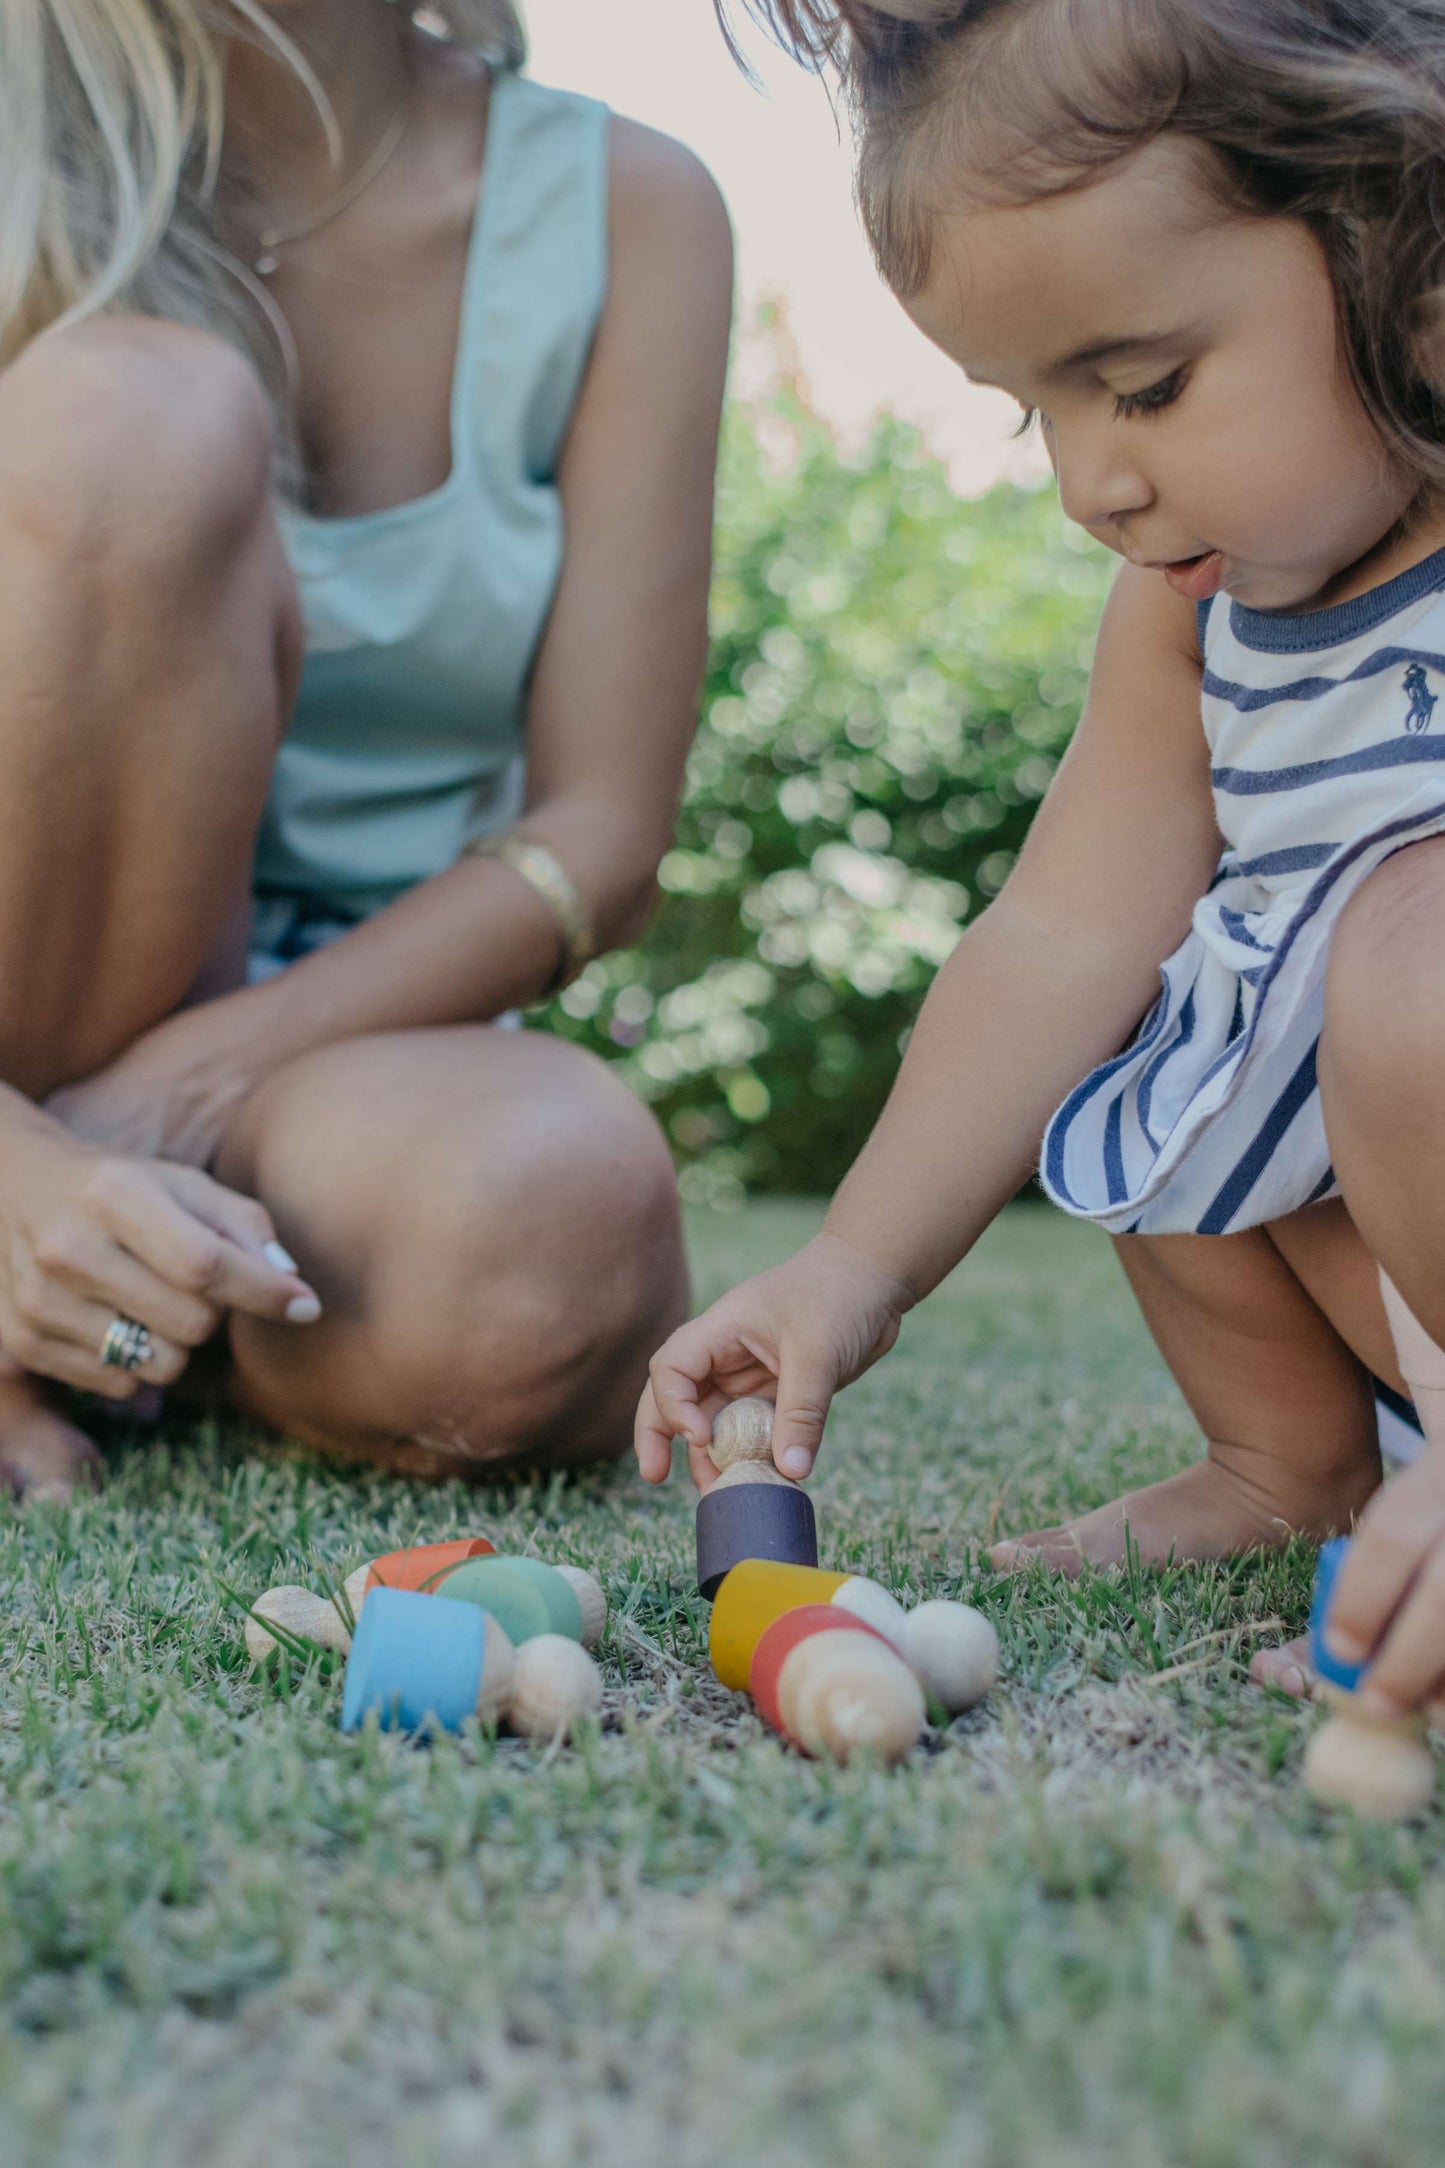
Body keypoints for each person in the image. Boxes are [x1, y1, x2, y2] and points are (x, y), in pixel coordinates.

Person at [639, 0, 1445, 1723]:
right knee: (1167, 998)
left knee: (1411, 956)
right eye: (1032, 416)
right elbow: (1055, 940)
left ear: (1408, 249)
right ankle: (1287, 1463)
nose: (1091, 483)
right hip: (1400, 1318)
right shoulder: (1190, 625)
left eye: (1143, 385)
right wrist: (845, 1272)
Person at [0, 0, 731, 1495]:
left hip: (346, 1049)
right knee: (134, 425)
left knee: (545, 1229)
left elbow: (602, 828)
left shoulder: (627, 207)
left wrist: (164, 1096)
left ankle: (110, 1295)